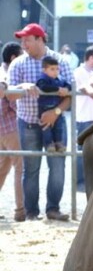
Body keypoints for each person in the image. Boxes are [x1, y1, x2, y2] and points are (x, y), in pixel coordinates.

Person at [6, 23, 75, 222]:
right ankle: (31, 213)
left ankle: (53, 209)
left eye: (27, 39)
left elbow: (71, 94)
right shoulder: (18, 63)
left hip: (55, 123)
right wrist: (22, 86)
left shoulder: (60, 61)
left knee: (58, 166)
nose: (23, 44)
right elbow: (10, 95)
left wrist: (56, 112)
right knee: (31, 168)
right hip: (28, 122)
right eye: (22, 40)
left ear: (40, 39)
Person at [0, 42, 25, 222]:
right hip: (10, 127)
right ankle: (20, 210)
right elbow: (12, 102)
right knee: (20, 168)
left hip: (2, 129)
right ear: (13, 58)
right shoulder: (7, 75)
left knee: (3, 169)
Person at [73, 46, 93, 190]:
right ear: (91, 58)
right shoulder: (78, 73)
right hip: (83, 117)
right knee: (82, 150)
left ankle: (91, 180)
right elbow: (86, 88)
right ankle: (80, 181)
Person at [35, 56, 71, 153]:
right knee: (46, 128)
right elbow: (44, 87)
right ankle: (49, 144)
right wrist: (58, 89)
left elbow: (69, 85)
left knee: (58, 127)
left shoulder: (60, 79)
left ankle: (59, 143)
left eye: (57, 69)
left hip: (56, 108)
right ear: (44, 70)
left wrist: (66, 89)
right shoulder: (42, 79)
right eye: (52, 69)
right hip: (44, 109)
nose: (55, 72)